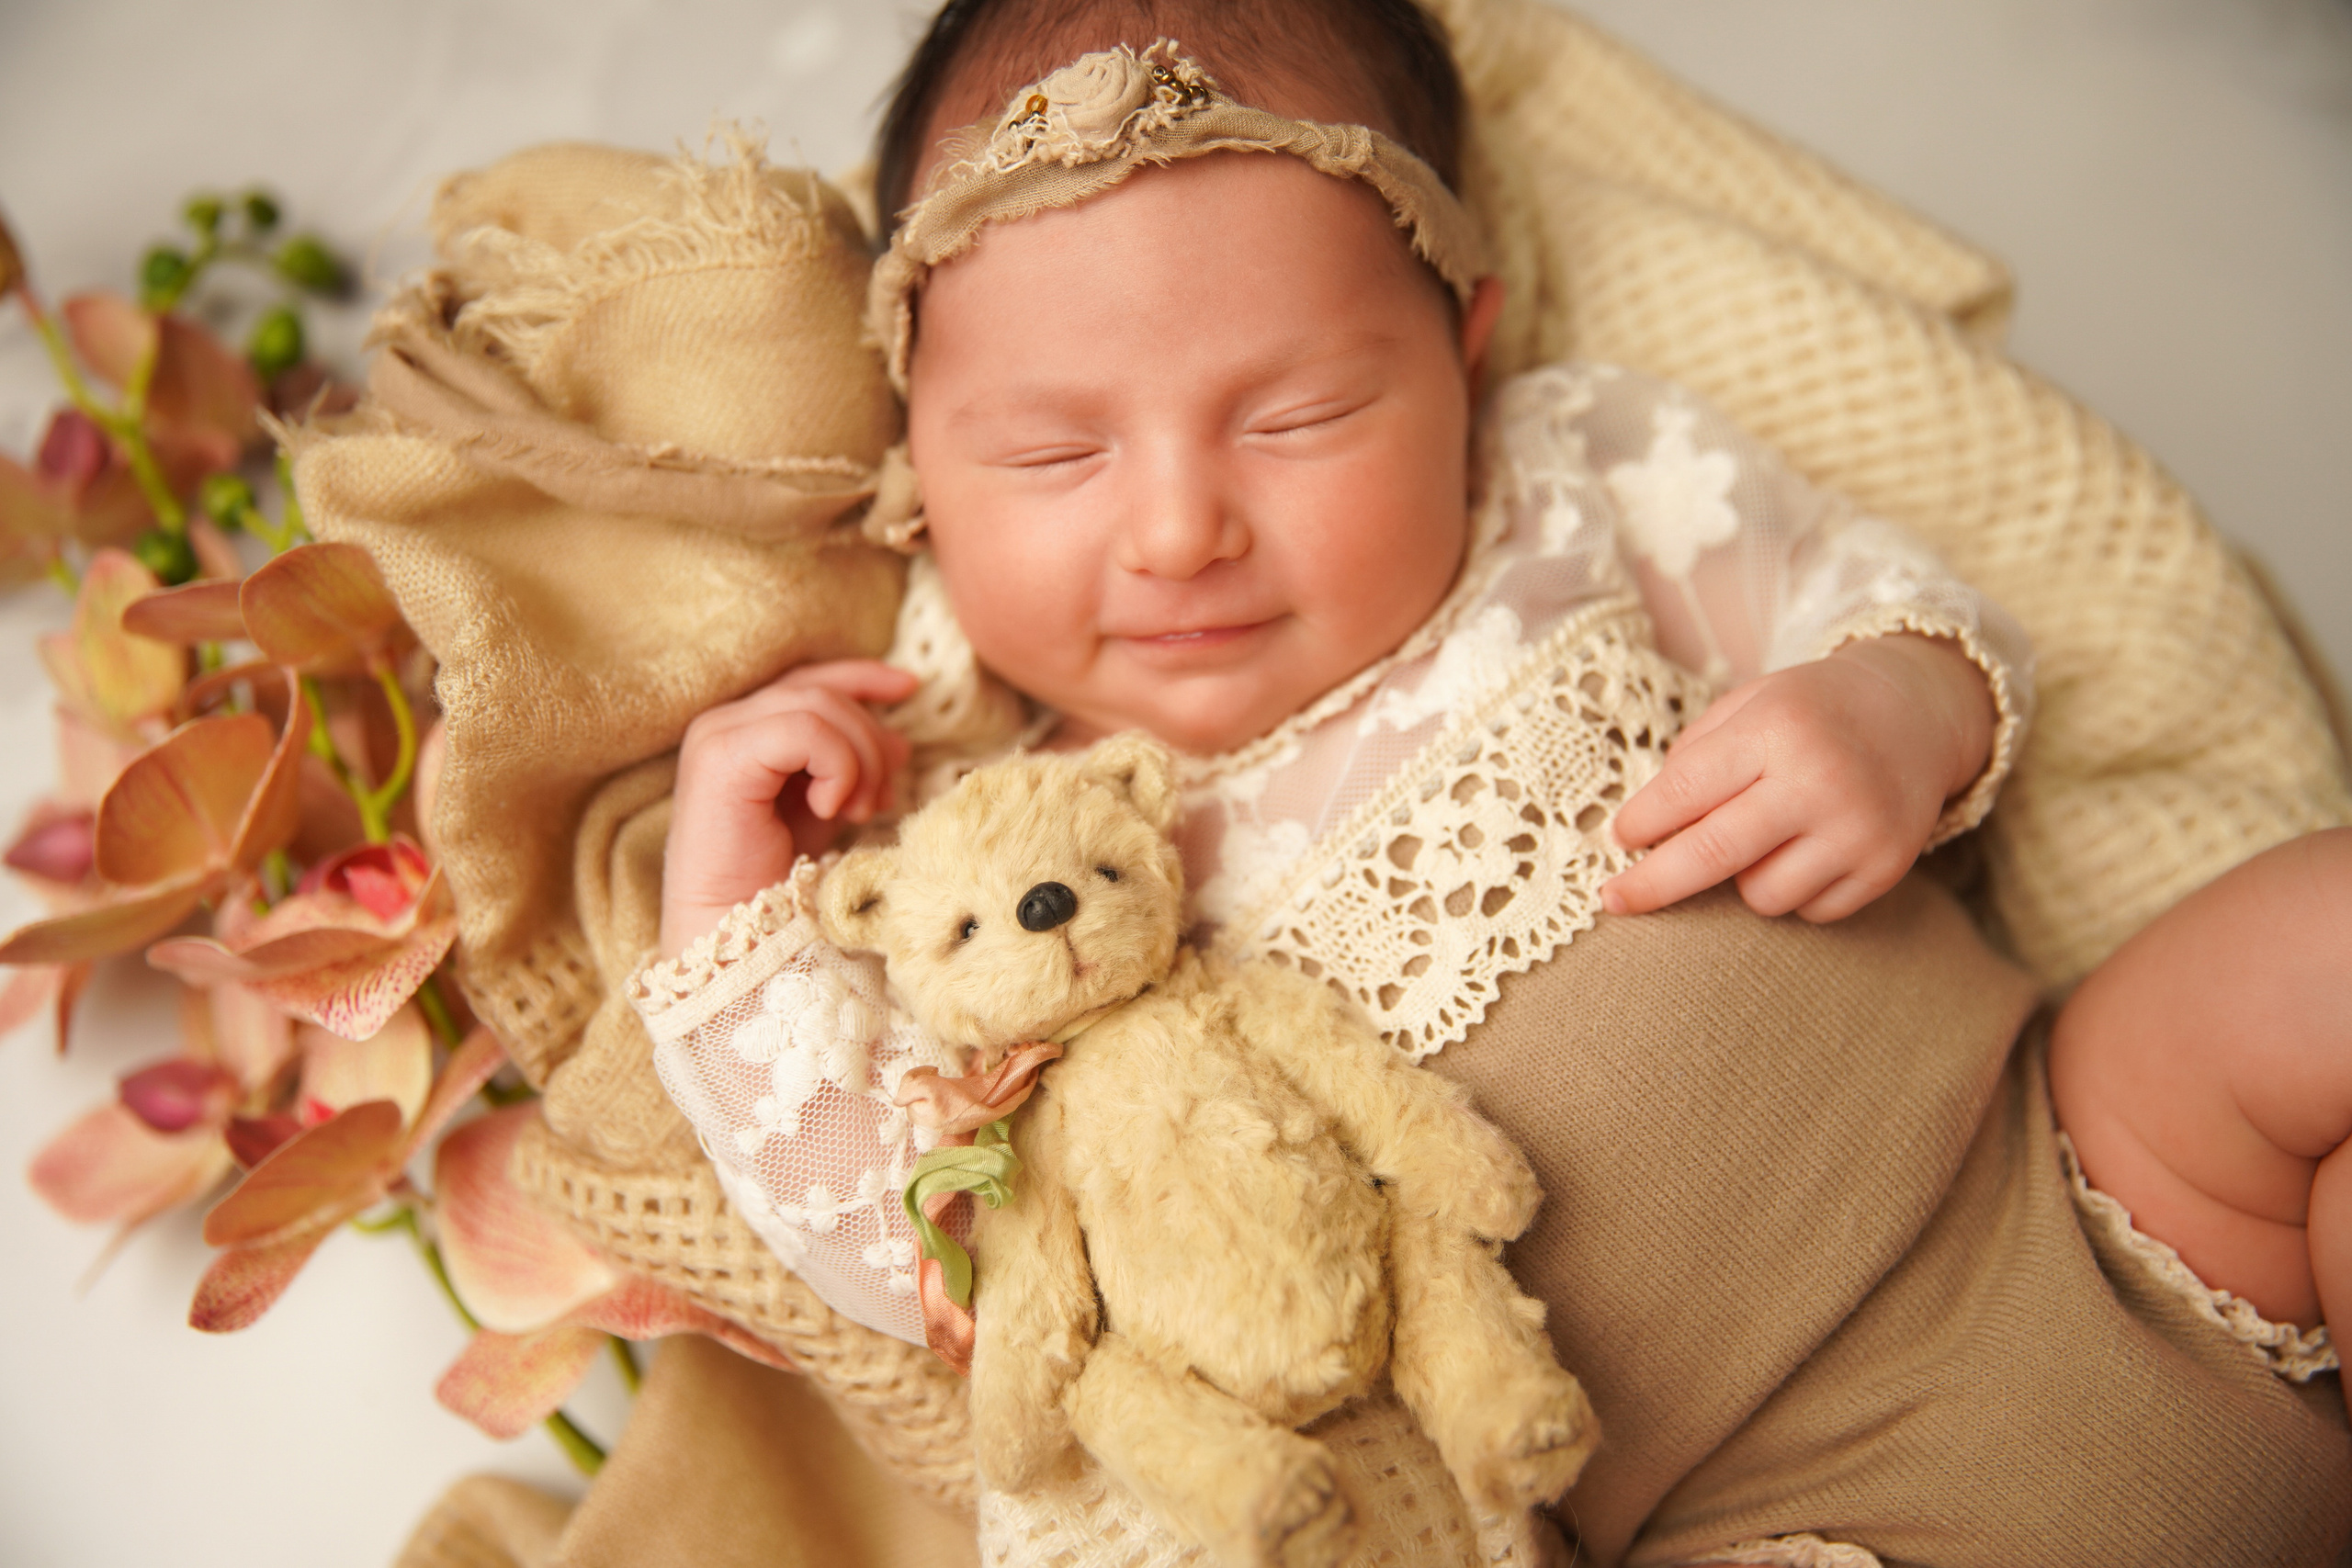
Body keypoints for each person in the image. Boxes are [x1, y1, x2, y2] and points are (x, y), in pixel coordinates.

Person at [627, 3, 2352, 1562]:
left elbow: (1864, 588)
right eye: (1053, 452)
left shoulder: (1565, 491)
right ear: (916, 461)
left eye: (1297, 416)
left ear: (1465, 352)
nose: (1175, 530)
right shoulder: (986, 850)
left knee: (2314, 943)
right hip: (1769, 1516)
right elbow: (931, 1253)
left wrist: (1897, 706)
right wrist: (726, 932)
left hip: (2092, 1169)